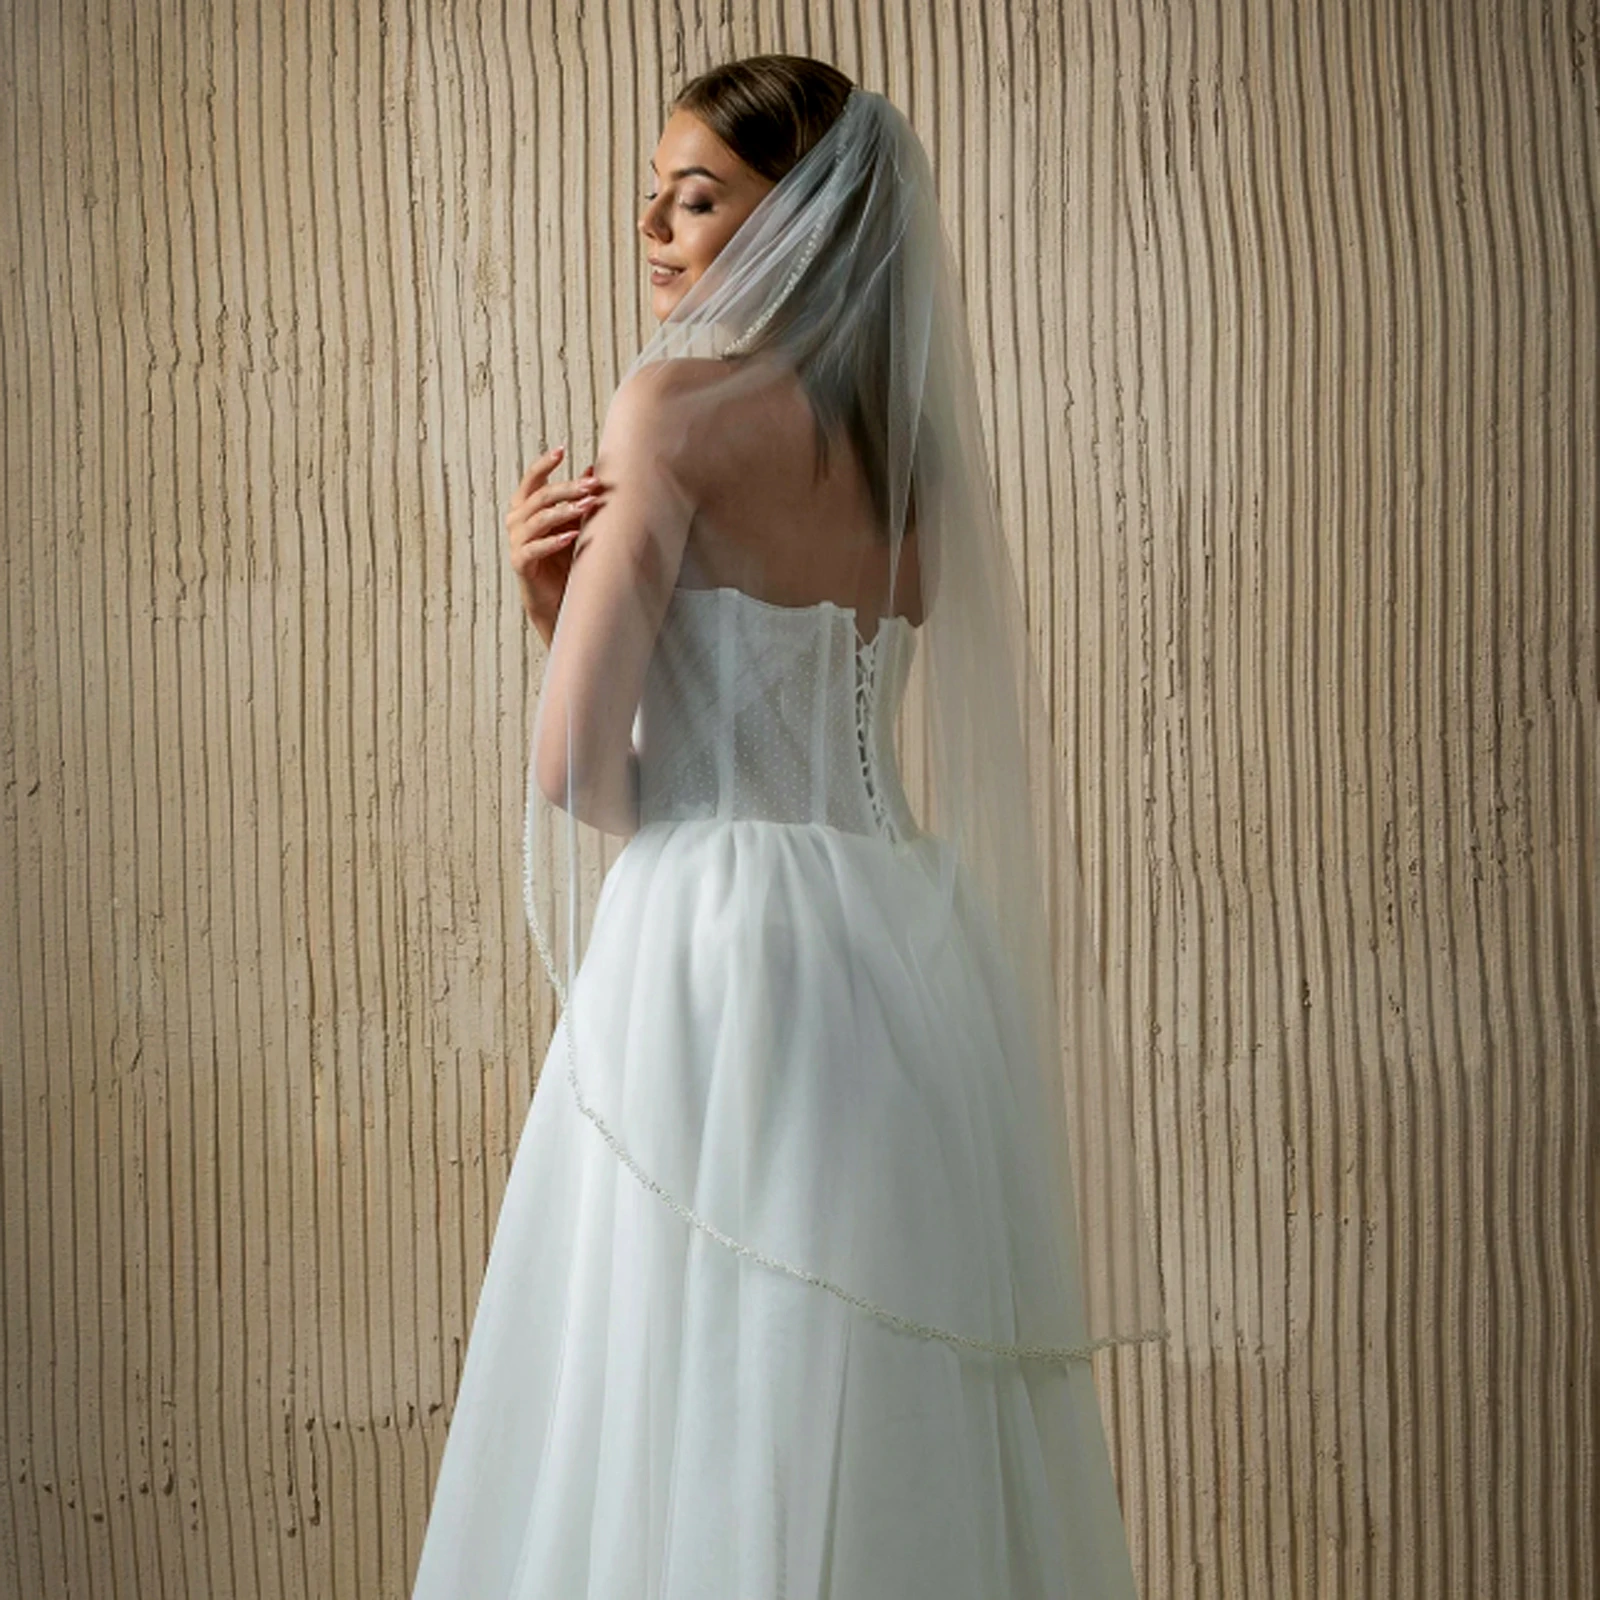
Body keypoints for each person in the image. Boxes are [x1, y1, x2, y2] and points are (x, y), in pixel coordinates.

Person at [411, 54, 1168, 1599]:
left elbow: (582, 772)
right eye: (653, 196)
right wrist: (579, 617)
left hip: (716, 950)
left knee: (691, 1364)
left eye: (696, 198)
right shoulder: (910, 461)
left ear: (803, 220)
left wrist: (551, 618)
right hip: (906, 952)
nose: (652, 229)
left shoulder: (671, 412)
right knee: (879, 1370)